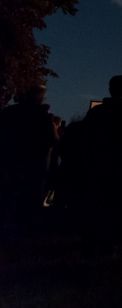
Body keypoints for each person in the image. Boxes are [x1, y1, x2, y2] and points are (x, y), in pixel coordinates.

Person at [82, 75, 122, 258]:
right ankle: (107, 246)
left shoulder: (97, 112)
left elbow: (86, 139)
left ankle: (89, 245)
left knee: (94, 207)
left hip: (97, 165)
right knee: (114, 208)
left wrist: (87, 162)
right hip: (120, 167)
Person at [0, 85, 59, 230]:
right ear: (41, 99)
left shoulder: (9, 113)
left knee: (6, 194)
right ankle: (25, 229)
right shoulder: (44, 117)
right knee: (31, 198)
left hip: (9, 161)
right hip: (35, 165)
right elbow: (55, 141)